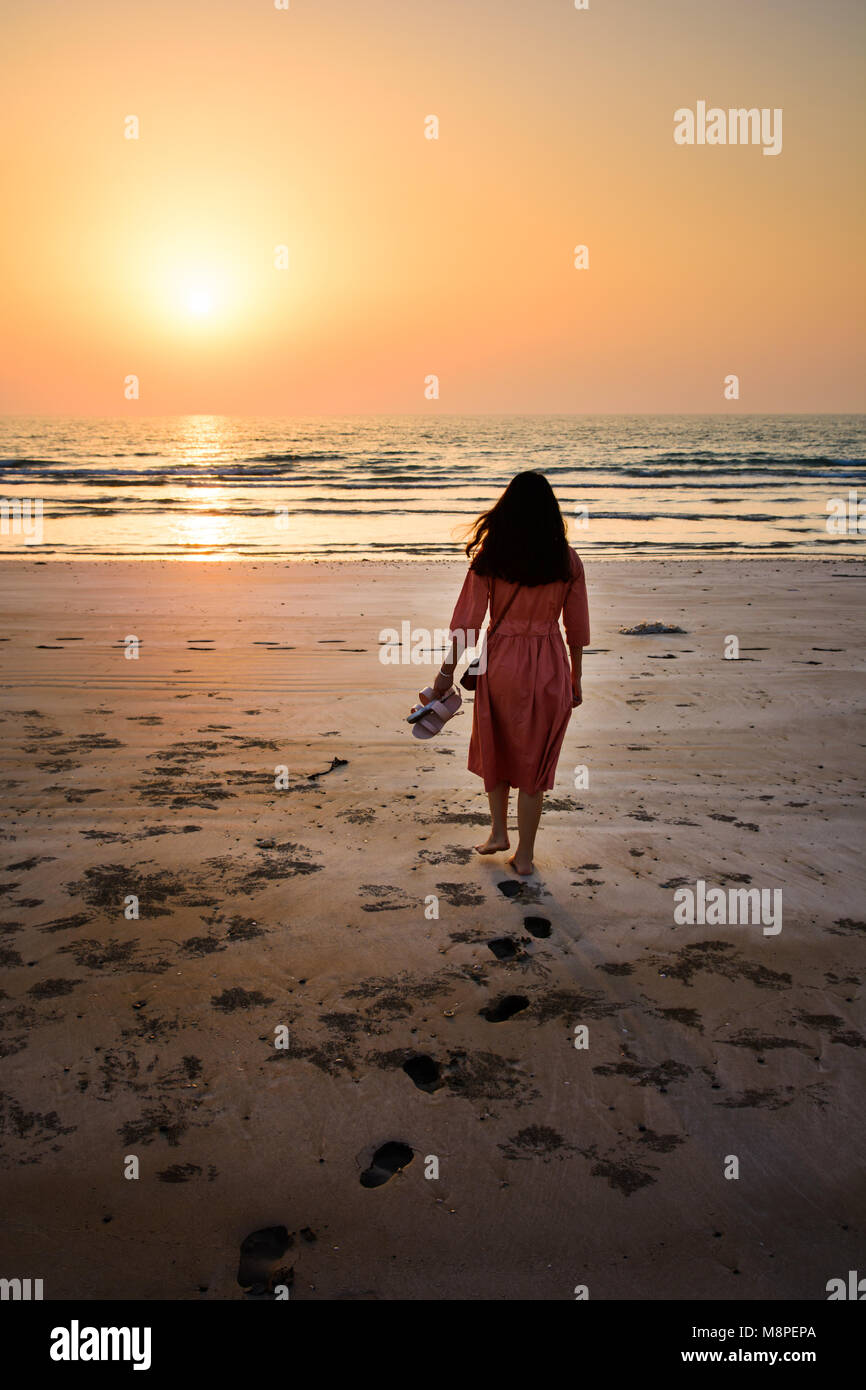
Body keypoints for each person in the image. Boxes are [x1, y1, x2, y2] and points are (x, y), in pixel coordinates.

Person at [429, 471, 589, 876]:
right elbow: (577, 627)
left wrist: (445, 675)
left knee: (497, 744)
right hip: (550, 661)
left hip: (501, 662)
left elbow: (467, 622)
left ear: (508, 509)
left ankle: (499, 831)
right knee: (535, 763)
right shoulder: (566, 559)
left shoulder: (492, 556)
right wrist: (576, 677)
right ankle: (526, 856)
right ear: (550, 513)